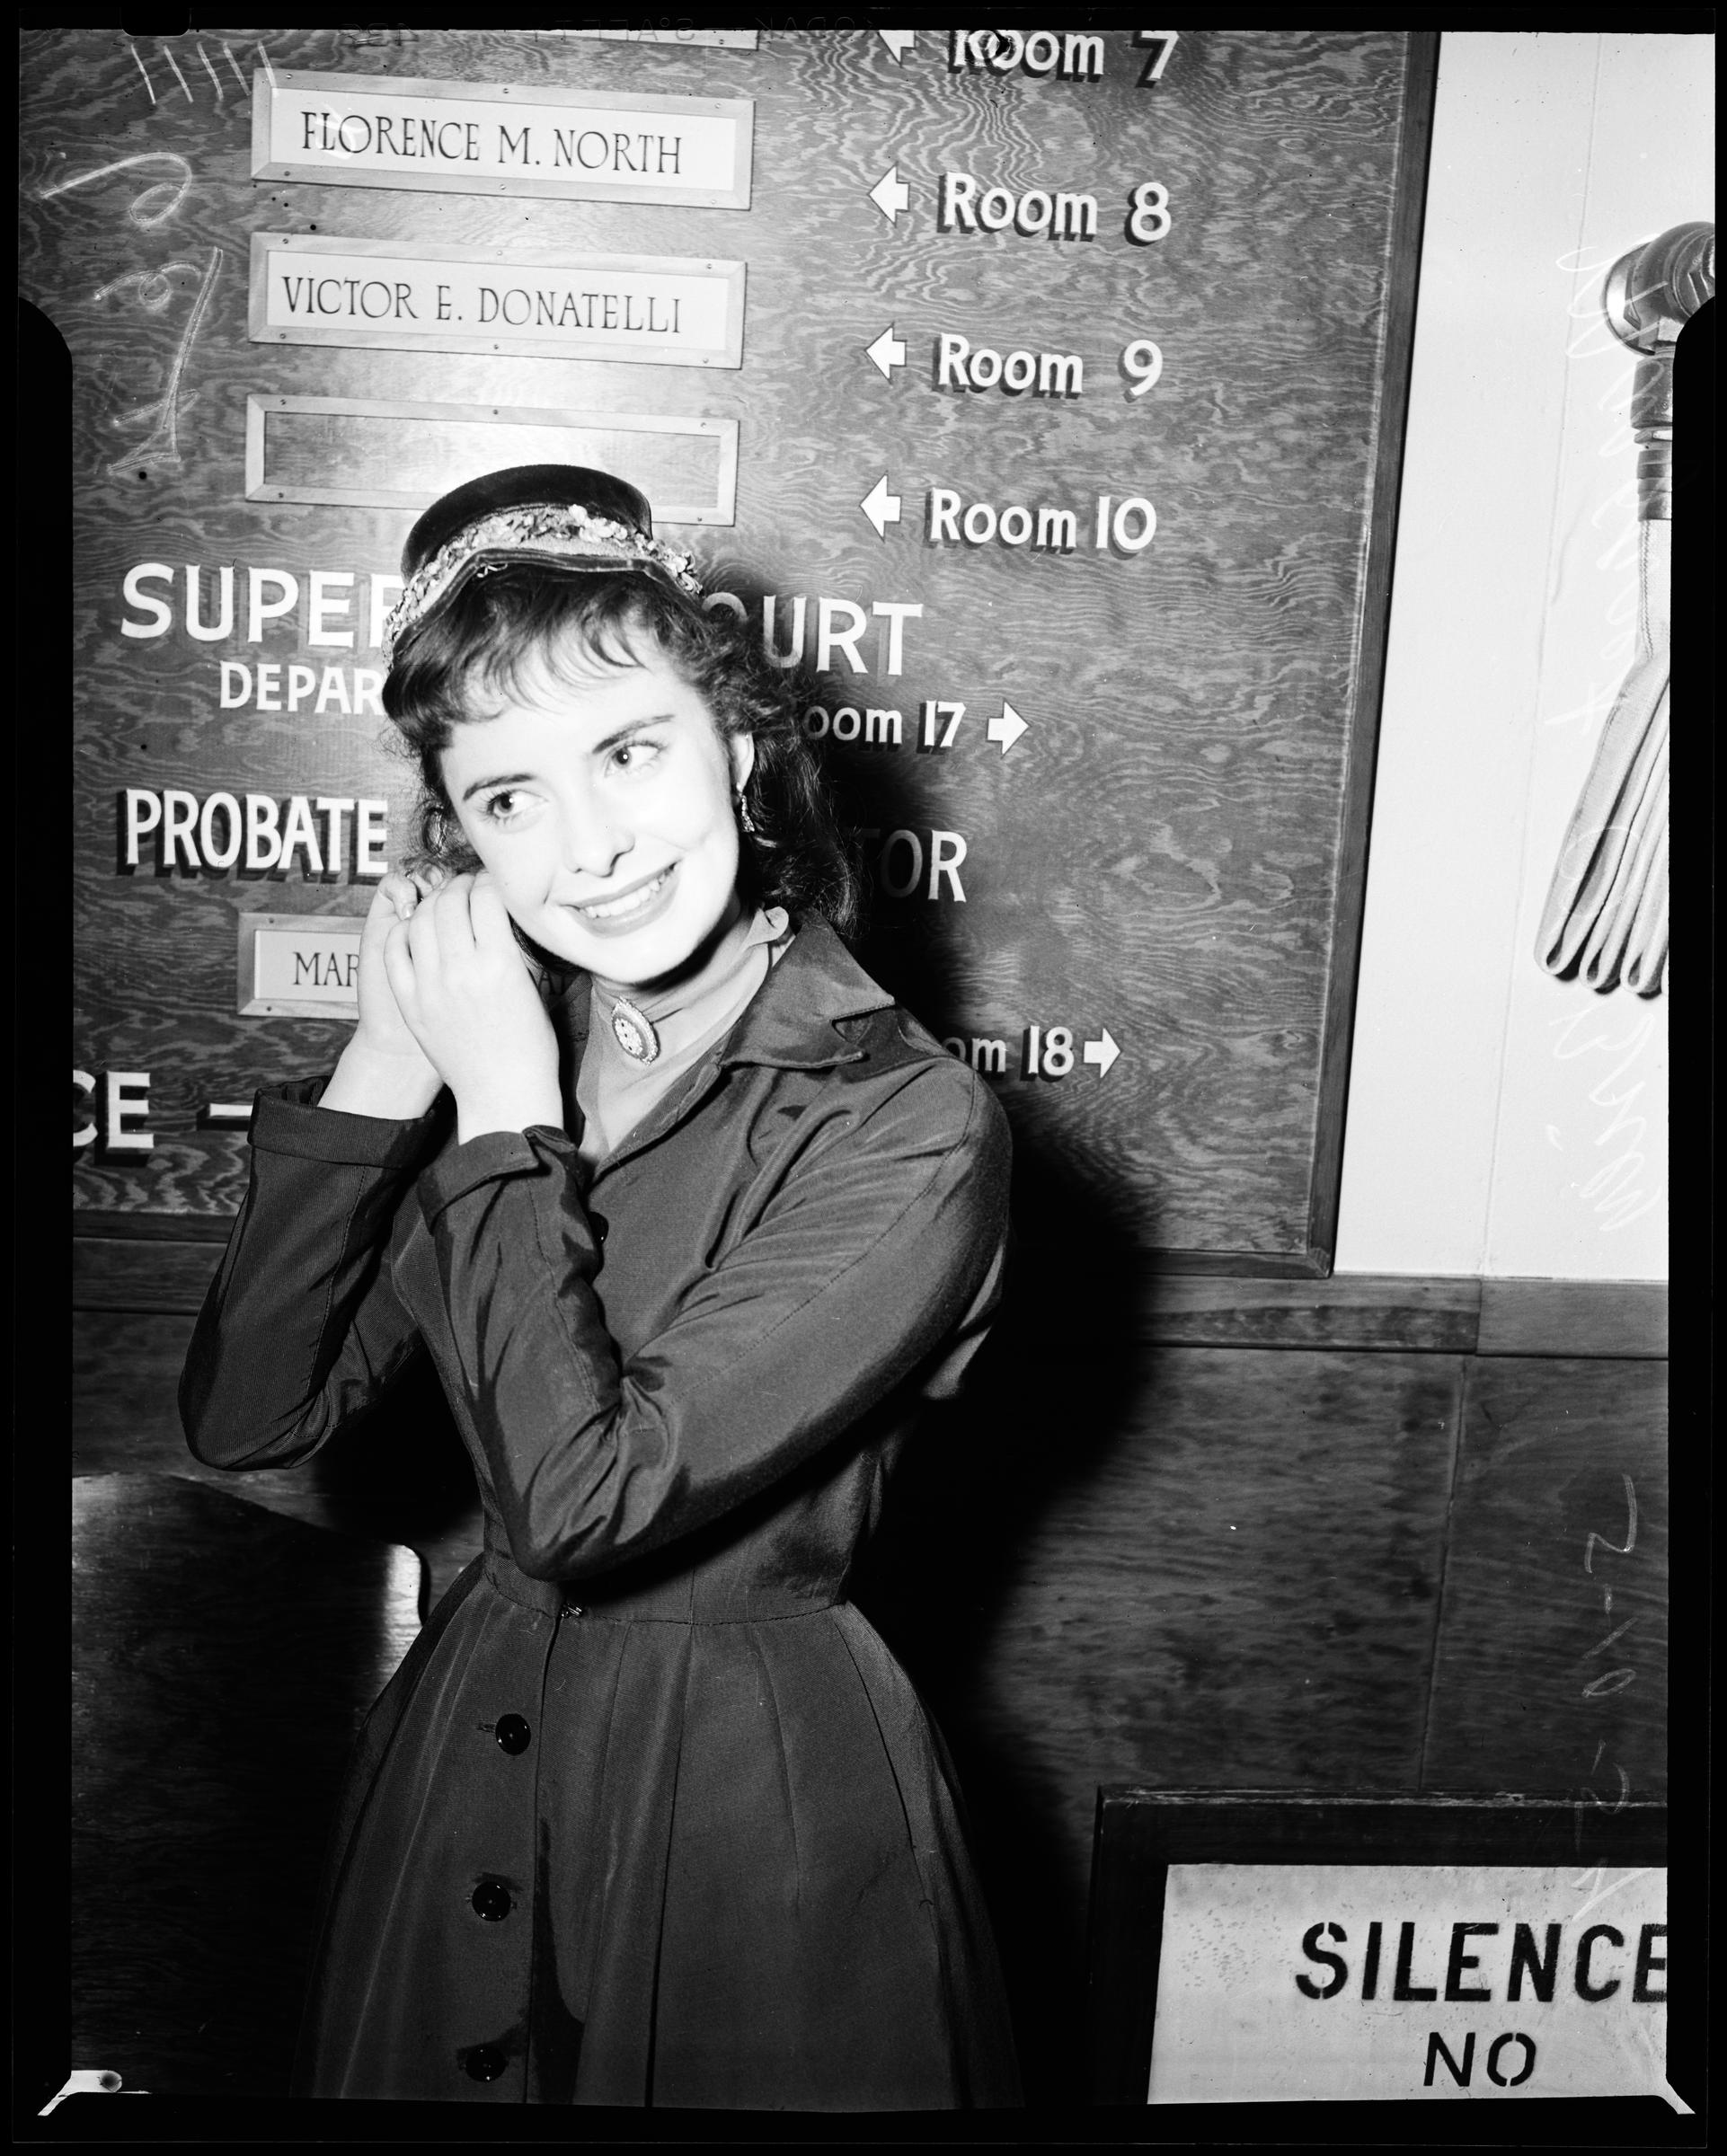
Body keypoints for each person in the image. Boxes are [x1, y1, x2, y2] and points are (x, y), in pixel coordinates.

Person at [179, 465, 1021, 2110]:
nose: (590, 848)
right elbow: (247, 1412)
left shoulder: (908, 1120)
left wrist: (501, 1115)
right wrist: (383, 1059)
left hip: (740, 1794)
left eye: (628, 752)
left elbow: (584, 1505)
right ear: (458, 839)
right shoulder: (519, 1033)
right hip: (463, 1760)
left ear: (744, 750)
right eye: (507, 798)